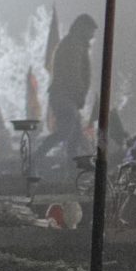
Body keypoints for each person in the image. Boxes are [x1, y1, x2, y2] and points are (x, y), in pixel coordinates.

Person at [45, 15, 97, 162]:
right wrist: (79, 94)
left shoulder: (77, 44)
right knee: (65, 132)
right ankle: (37, 157)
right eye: (90, 31)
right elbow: (73, 73)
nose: (92, 35)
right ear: (83, 28)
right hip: (64, 95)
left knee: (74, 137)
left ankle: (71, 171)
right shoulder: (74, 45)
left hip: (66, 96)